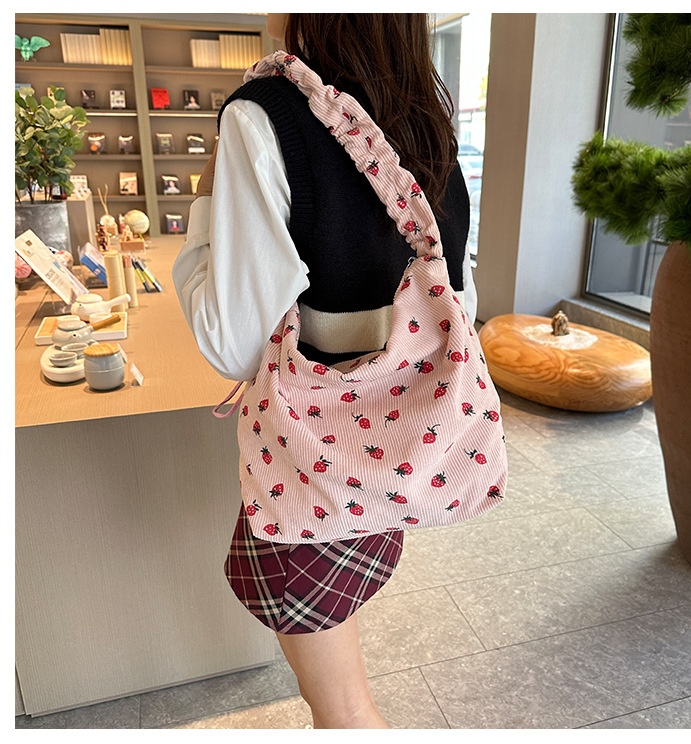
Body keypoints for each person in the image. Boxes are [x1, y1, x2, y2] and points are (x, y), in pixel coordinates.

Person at [172, 13, 476, 729]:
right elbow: (455, 294)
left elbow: (231, 345)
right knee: (343, 685)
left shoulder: (263, 115)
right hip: (402, 448)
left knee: (345, 712)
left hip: (314, 460)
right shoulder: (424, 116)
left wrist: (206, 202)